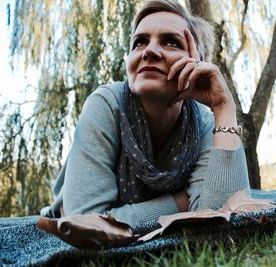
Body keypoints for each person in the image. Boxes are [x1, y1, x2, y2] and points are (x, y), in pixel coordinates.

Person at [41, 0, 250, 227]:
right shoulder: (105, 105)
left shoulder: (205, 122)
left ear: (197, 64)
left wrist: (223, 107)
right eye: (139, 42)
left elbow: (227, 212)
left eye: (171, 42)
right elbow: (84, 223)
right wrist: (182, 203)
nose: (149, 51)